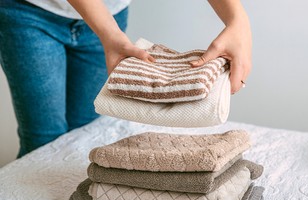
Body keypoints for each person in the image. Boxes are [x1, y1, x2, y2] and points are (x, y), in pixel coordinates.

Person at [0, 0, 252, 158]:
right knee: (44, 138)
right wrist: (109, 33)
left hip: (111, 12)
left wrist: (238, 21)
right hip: (27, 11)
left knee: (86, 129)